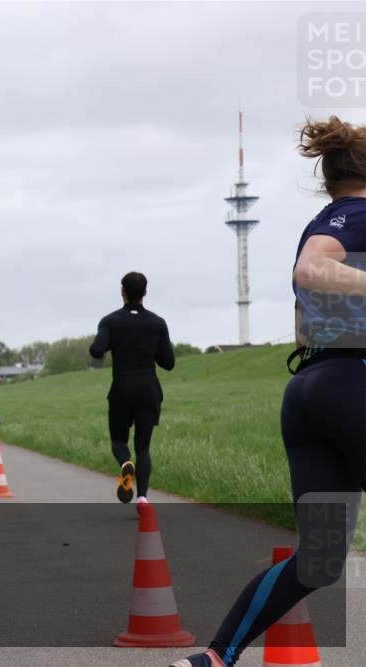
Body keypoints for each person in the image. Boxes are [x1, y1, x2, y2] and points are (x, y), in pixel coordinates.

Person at [171, 116, 366, 667]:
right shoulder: (359, 218)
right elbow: (312, 272)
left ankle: (214, 657)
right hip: (353, 383)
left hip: (311, 388)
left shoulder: (322, 220)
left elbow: (306, 326)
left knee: (320, 559)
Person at [88, 271, 174, 505]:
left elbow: (96, 351)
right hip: (149, 389)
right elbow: (169, 363)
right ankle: (143, 498)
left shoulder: (110, 321)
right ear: (145, 292)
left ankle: (126, 463)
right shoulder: (157, 323)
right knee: (143, 447)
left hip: (122, 388)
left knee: (119, 442)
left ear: (122, 292)